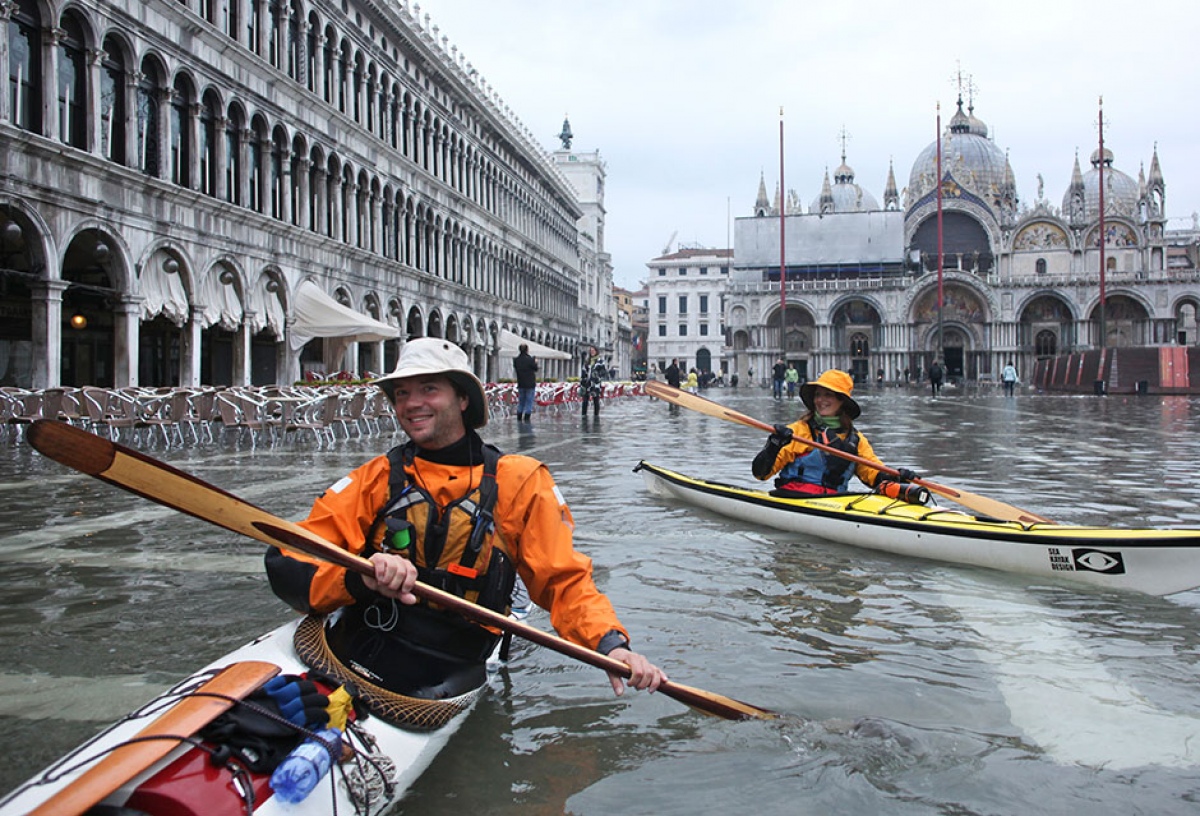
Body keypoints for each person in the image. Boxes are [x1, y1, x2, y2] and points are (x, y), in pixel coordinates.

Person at [265, 338, 666, 702]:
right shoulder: (375, 478)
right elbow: (291, 560)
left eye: (428, 389)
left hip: (452, 663)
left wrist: (611, 644)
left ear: (462, 400)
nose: (411, 403)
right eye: (402, 393)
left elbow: (563, 581)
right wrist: (358, 577)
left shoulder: (520, 481)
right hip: (360, 638)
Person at [751, 369, 925, 502]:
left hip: (836, 502)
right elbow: (761, 474)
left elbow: (873, 474)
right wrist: (773, 445)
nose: (820, 400)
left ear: (842, 401)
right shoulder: (798, 431)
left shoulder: (855, 440)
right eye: (818, 395)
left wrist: (896, 477)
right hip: (793, 497)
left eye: (828, 395)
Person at [513, 343, 538, 422]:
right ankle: (527, 419)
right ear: (527, 350)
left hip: (521, 383)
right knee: (529, 402)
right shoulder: (530, 359)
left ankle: (519, 418)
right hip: (530, 384)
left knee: (521, 402)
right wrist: (535, 362)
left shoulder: (516, 360)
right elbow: (535, 368)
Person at [580, 346, 605, 417]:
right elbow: (583, 370)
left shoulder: (600, 361)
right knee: (585, 400)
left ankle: (596, 415)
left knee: (595, 400)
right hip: (586, 383)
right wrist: (583, 378)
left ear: (596, 351)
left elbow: (603, 372)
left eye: (593, 350)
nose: (592, 352)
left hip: (595, 383)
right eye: (591, 351)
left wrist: (597, 376)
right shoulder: (587, 360)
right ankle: (584, 415)